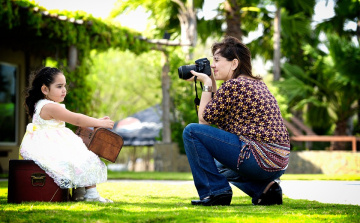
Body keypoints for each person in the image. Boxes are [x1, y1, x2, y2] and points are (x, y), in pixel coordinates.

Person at [182, 36, 290, 206]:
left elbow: (203, 121)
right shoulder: (255, 84)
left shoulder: (234, 86)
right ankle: (265, 190)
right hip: (278, 161)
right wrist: (210, 81)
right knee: (215, 164)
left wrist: (207, 84)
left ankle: (215, 192)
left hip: (258, 158)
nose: (212, 65)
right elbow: (215, 109)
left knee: (191, 131)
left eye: (217, 60)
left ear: (234, 63)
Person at [20, 67, 114, 203]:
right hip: (49, 144)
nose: (64, 90)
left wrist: (97, 121)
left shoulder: (44, 104)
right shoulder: (50, 107)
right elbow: (76, 119)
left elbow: (76, 118)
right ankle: (91, 195)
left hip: (48, 142)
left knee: (79, 157)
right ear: (45, 89)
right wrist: (99, 123)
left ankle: (80, 194)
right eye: (59, 86)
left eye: (64, 86)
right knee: (84, 157)